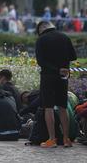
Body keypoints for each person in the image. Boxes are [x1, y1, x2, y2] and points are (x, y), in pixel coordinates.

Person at [35, 20, 77, 148]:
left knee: (49, 108)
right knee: (62, 108)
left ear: (41, 29)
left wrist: (54, 68)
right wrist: (62, 65)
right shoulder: (65, 37)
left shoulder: (41, 40)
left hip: (48, 77)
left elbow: (40, 61)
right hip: (63, 76)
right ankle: (66, 139)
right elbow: (74, 56)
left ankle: (52, 139)